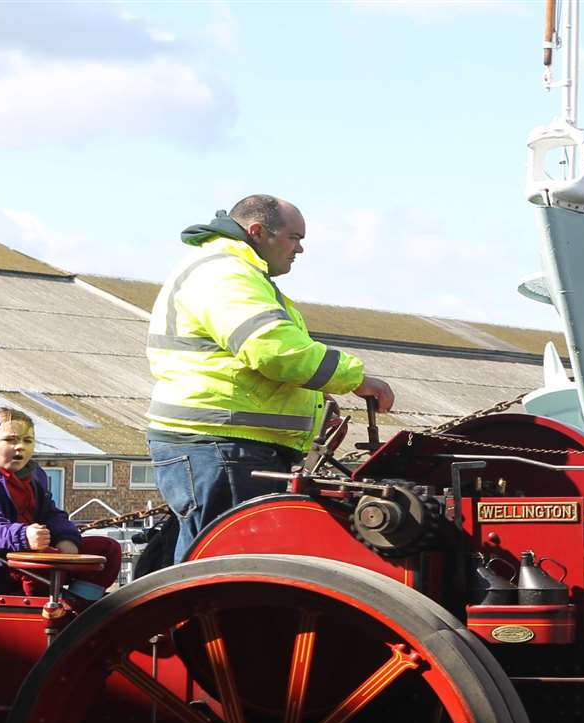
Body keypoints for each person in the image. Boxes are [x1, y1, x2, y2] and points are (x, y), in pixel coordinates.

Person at [143, 194, 396, 564]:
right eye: (294, 238)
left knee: (218, 564)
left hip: (223, 445)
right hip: (222, 445)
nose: (301, 249)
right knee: (224, 568)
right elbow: (273, 351)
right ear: (258, 232)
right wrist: (355, 378)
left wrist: (313, 402)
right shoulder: (227, 273)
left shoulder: (227, 269)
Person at [0, 408, 123, 597]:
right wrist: (24, 536)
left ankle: (81, 604)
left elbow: (51, 514)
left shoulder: (34, 477)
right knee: (40, 565)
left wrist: (66, 538)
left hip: (28, 554)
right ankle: (45, 609)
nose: (20, 447)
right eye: (10, 440)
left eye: (27, 441)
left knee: (108, 550)